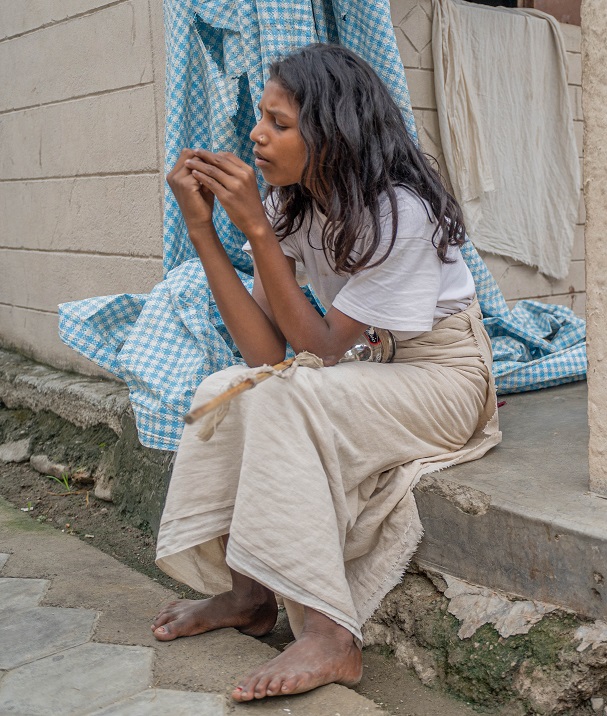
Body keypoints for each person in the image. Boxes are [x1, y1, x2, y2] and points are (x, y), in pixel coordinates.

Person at [150, 44, 500, 701]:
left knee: (289, 397)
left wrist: (252, 225)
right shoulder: (299, 206)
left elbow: (320, 350)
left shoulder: (399, 211)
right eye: (262, 117)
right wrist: (204, 230)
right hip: (376, 369)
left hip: (446, 378)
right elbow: (267, 357)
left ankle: (330, 632)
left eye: (279, 124)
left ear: (332, 134)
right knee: (223, 392)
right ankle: (250, 595)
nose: (256, 134)